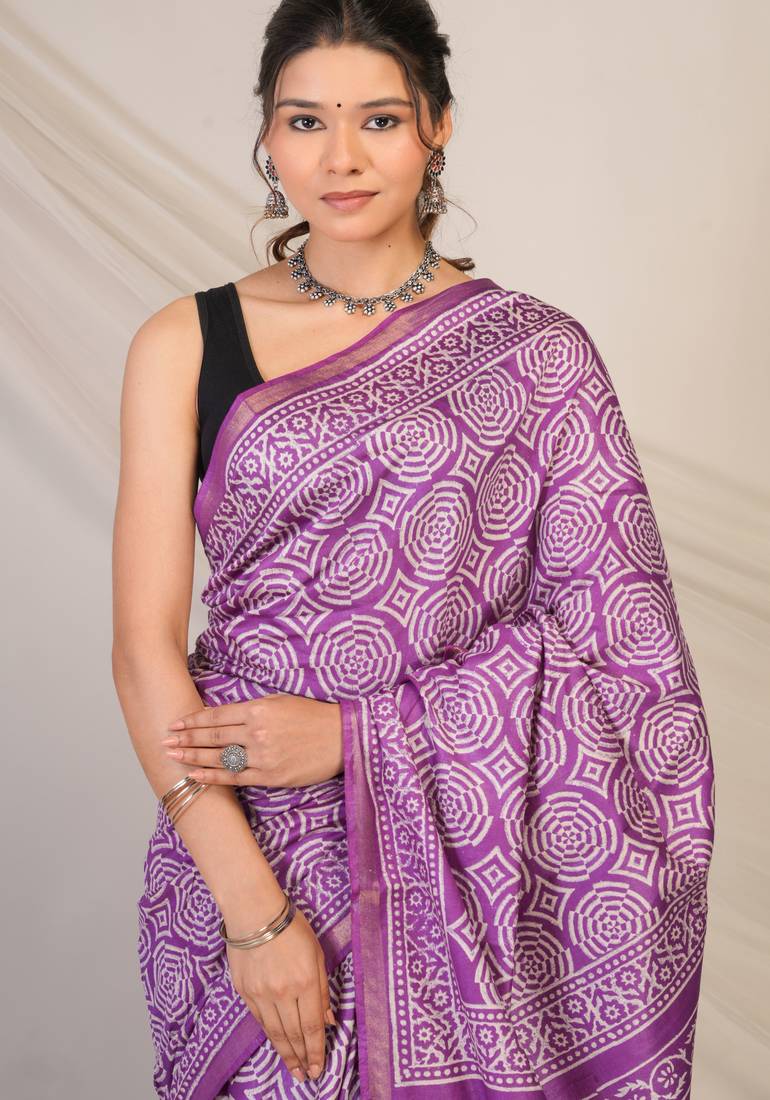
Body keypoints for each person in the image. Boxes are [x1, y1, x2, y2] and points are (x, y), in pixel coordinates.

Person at [111, 2, 716, 1097]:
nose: (339, 157)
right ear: (267, 134)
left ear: (436, 125)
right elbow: (142, 650)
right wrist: (255, 916)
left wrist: (359, 735)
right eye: (305, 120)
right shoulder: (182, 343)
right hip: (243, 839)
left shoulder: (538, 359)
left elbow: (624, 667)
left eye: (379, 119)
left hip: (477, 875)